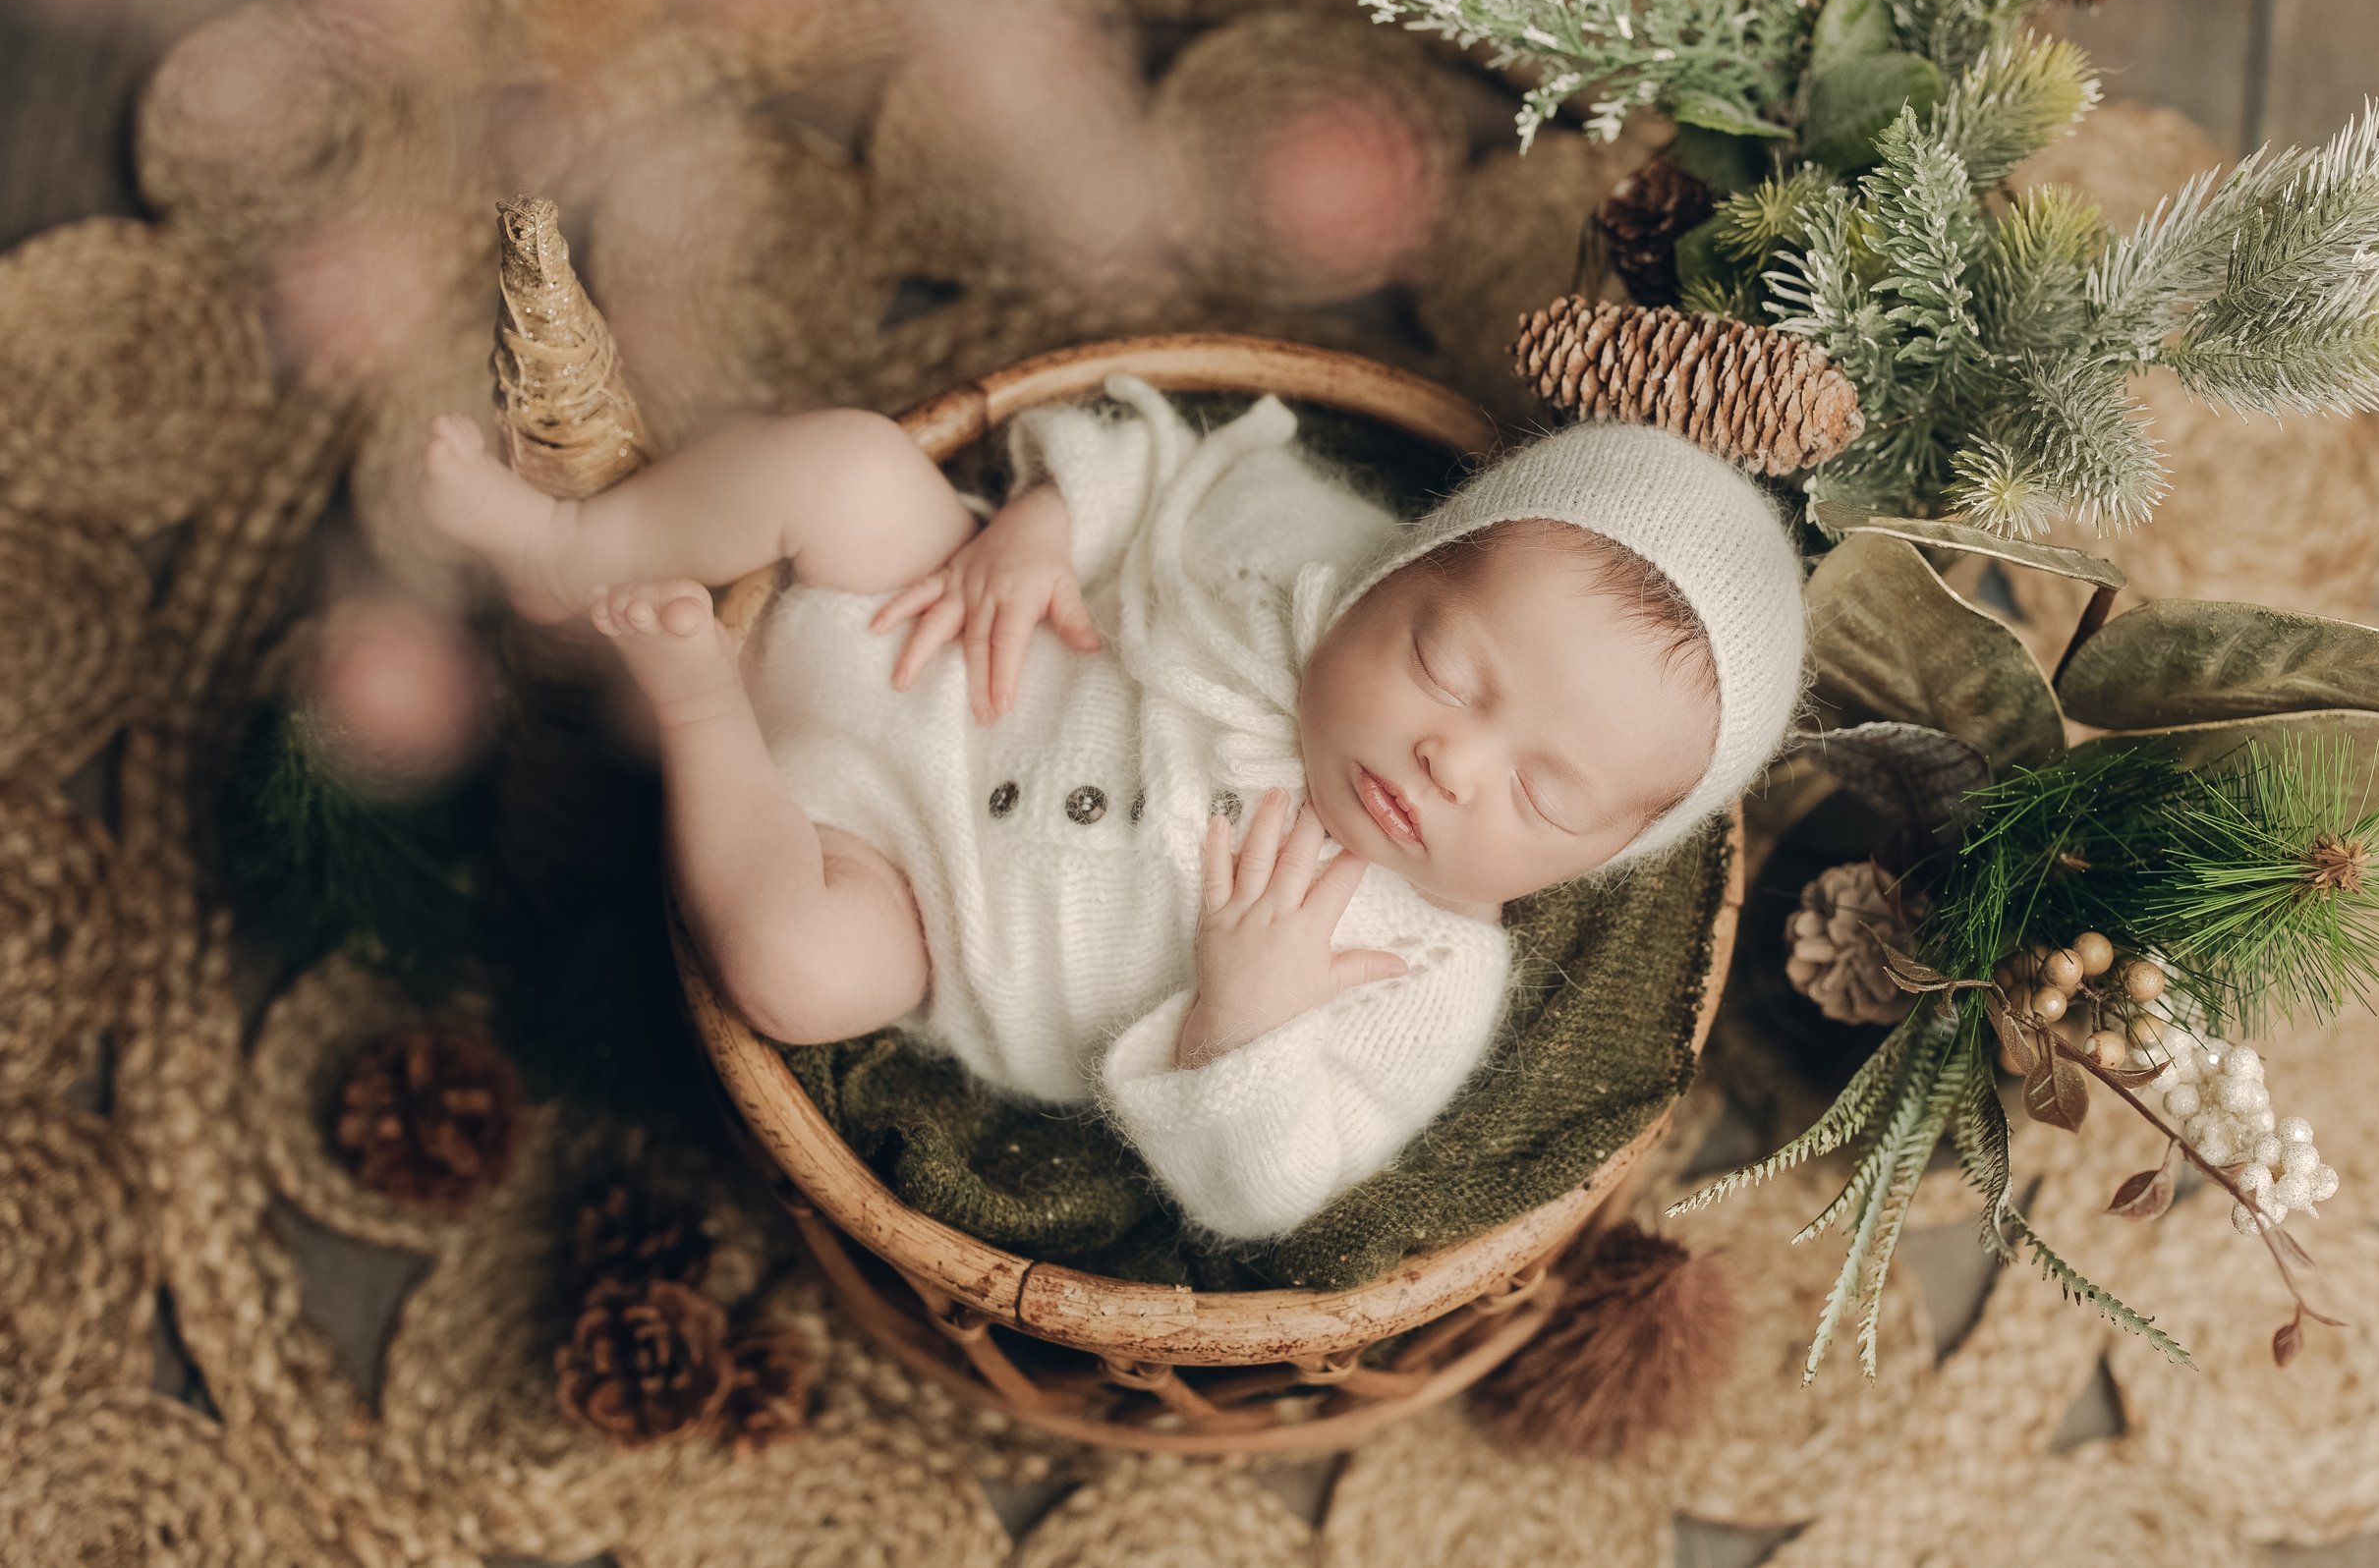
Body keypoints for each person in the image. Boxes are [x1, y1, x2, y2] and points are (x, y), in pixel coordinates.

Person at [423, 379, 1805, 1238]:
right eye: (1445, 665)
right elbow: (1173, 462)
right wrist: (1045, 524)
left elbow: (1267, 1189)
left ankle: (695, 709)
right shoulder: (1307, 561)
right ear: (1406, 564)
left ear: (1611, 855)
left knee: (795, 970)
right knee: (849, 465)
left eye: (1544, 795)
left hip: (915, 901)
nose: (1454, 758)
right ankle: (571, 546)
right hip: (946, 639)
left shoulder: (1429, 974)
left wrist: (1245, 1020)